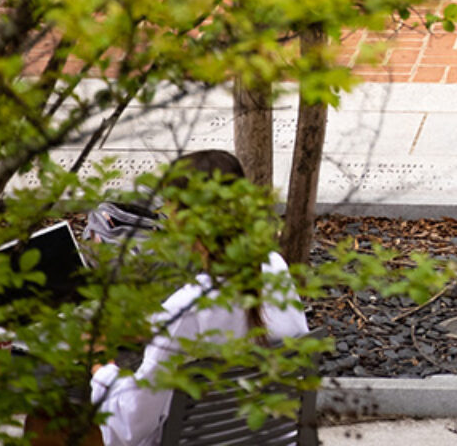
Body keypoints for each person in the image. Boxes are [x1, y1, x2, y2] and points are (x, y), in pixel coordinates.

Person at [90, 150, 311, 446]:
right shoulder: (274, 266)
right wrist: (154, 327)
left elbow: (133, 423)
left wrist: (100, 364)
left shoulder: (187, 309)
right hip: (272, 439)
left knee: (58, 415)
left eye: (169, 212)